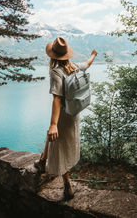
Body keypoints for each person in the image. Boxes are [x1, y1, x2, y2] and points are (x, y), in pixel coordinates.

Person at [34, 36, 97, 200]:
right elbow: (88, 64)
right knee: (54, 138)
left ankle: (67, 185)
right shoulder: (75, 67)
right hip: (73, 113)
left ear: (53, 56)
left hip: (62, 116)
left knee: (60, 146)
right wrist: (93, 55)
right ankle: (42, 162)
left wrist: (54, 124)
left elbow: (57, 98)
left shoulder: (56, 72)